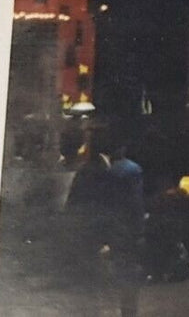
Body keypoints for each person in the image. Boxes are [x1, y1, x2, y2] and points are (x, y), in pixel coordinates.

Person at [65, 130, 145, 317]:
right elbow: (135, 206)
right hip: (121, 234)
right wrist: (139, 232)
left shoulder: (84, 171)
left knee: (92, 286)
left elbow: (73, 205)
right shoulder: (129, 170)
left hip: (91, 236)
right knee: (128, 281)